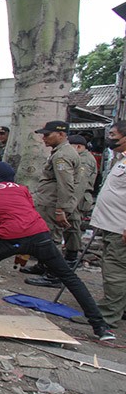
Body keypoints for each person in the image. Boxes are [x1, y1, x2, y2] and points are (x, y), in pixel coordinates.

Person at [0, 162, 115, 341]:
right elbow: (26, 211)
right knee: (69, 277)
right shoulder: (22, 188)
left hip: (9, 237)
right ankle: (100, 327)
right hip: (39, 234)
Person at [75, 121, 126, 328]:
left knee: (115, 272)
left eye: (113, 134)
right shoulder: (120, 160)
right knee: (115, 269)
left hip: (120, 227)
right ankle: (118, 308)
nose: (109, 138)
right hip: (112, 224)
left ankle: (106, 316)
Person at [22, 121, 80, 288]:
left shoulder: (63, 155)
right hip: (48, 202)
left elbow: (65, 184)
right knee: (42, 237)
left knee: (51, 239)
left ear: (61, 135)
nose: (44, 138)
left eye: (48, 134)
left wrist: (62, 209)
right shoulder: (59, 152)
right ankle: (43, 266)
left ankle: (54, 275)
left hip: (53, 204)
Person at [62, 134, 97, 264]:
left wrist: (70, 204)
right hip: (74, 198)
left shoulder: (85, 160)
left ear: (78, 147)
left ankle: (71, 257)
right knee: (69, 227)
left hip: (78, 199)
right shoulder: (79, 158)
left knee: (72, 226)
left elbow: (79, 184)